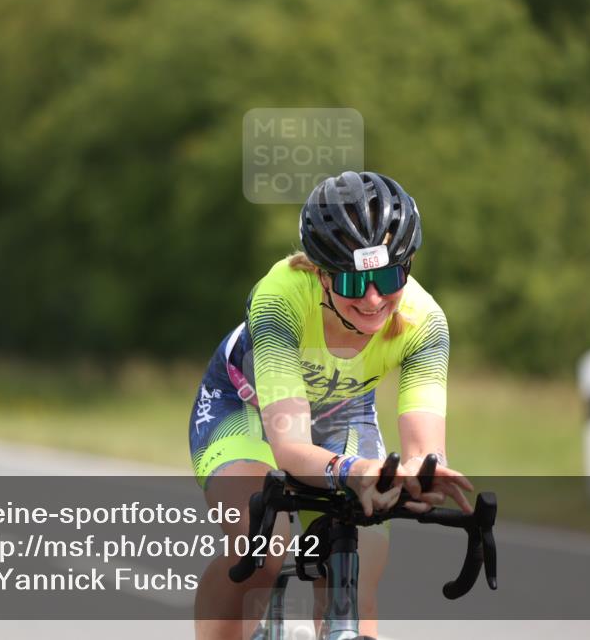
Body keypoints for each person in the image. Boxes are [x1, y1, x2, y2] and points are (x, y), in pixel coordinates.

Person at [188, 170, 473, 639]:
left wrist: (423, 476)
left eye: (388, 276)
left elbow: (424, 449)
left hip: (343, 415)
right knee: (263, 549)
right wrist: (354, 472)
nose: (373, 298)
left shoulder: (426, 322)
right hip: (244, 412)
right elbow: (290, 448)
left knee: (355, 569)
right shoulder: (279, 298)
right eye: (353, 283)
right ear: (321, 273)